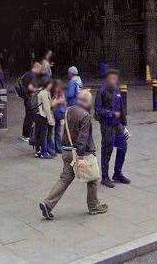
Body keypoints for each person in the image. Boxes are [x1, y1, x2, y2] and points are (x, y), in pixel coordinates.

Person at [38, 89, 108, 220]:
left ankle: (47, 204)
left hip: (66, 150)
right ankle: (93, 206)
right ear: (87, 102)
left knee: (64, 178)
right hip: (79, 152)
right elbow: (83, 137)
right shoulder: (86, 116)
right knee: (93, 178)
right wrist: (81, 157)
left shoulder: (69, 110)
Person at [95, 69, 130, 188]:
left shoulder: (117, 90)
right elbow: (98, 110)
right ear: (107, 78)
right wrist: (111, 114)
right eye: (112, 78)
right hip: (107, 125)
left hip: (118, 125)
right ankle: (105, 177)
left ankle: (117, 173)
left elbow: (121, 106)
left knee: (123, 147)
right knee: (107, 151)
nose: (114, 80)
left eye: (115, 78)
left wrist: (124, 123)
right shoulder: (102, 91)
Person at [17, 60, 43, 142]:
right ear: (35, 67)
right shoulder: (31, 76)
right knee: (29, 117)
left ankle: (26, 134)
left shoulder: (27, 74)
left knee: (29, 116)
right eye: (40, 68)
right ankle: (26, 135)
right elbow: (31, 88)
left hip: (27, 98)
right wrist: (39, 89)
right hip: (30, 98)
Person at [37, 77, 56, 158]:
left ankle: (46, 150)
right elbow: (47, 108)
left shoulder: (45, 92)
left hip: (43, 115)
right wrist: (50, 119)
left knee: (45, 134)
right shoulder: (44, 93)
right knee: (44, 135)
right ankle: (44, 152)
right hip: (43, 116)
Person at [52, 79, 68, 153]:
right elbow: (51, 104)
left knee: (58, 131)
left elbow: (64, 102)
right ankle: (56, 146)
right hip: (54, 114)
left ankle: (57, 146)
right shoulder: (53, 93)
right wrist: (58, 101)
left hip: (59, 114)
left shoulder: (60, 92)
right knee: (54, 131)